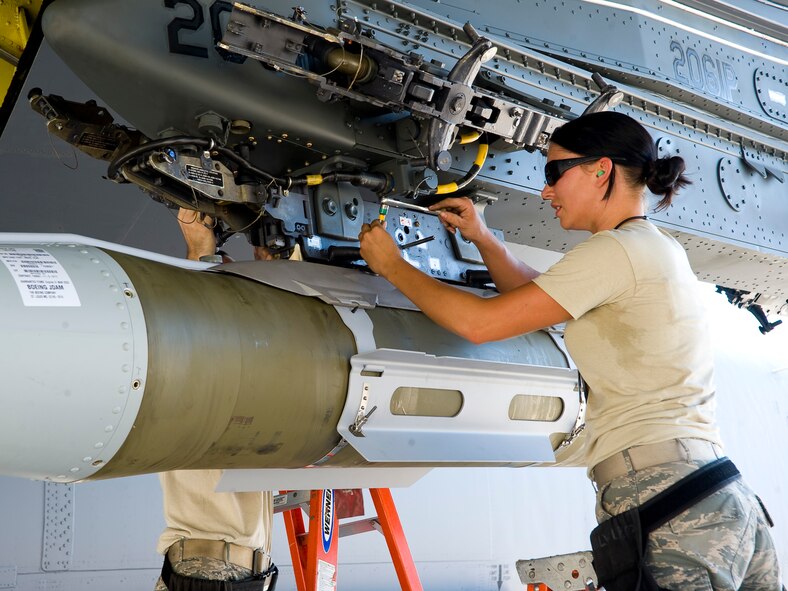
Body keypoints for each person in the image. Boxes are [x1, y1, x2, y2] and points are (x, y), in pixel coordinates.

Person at [358, 111, 781, 590]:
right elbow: (542, 300)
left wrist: (392, 266)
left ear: (601, 170)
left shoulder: (615, 252)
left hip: (669, 506)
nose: (546, 191)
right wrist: (484, 239)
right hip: (722, 500)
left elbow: (480, 324)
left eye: (554, 172)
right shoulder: (652, 249)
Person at [154, 208, 283, 591]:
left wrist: (199, 252)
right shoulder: (218, 406)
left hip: (206, 573)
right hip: (238, 572)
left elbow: (198, 343)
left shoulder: (194, 403)